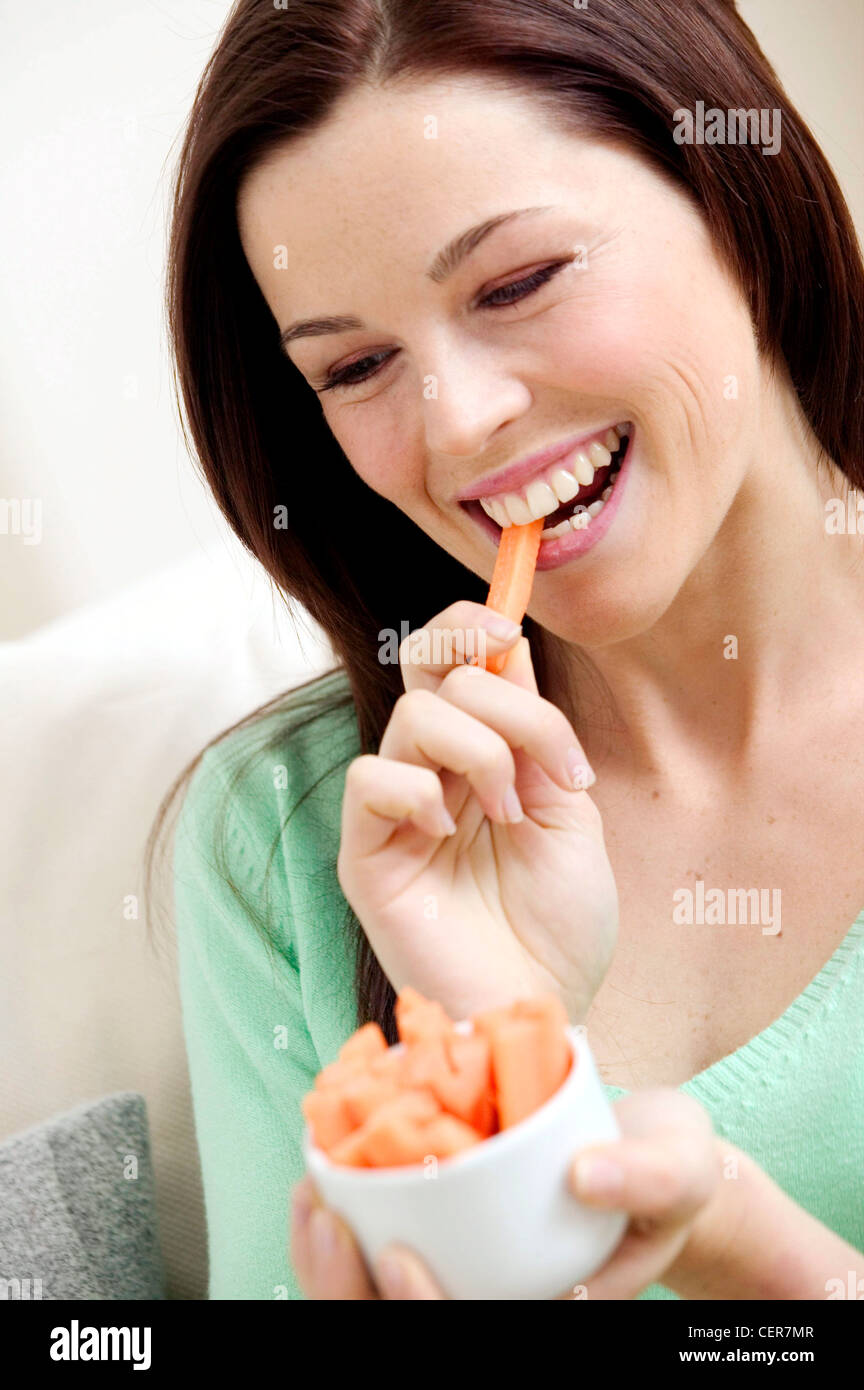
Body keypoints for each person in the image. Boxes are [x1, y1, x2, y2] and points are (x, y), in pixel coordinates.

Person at [155, 0, 864, 1299]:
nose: (463, 423)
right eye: (358, 364)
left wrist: (754, 1261)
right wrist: (506, 1078)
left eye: (520, 281)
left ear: (737, 201)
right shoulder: (286, 837)